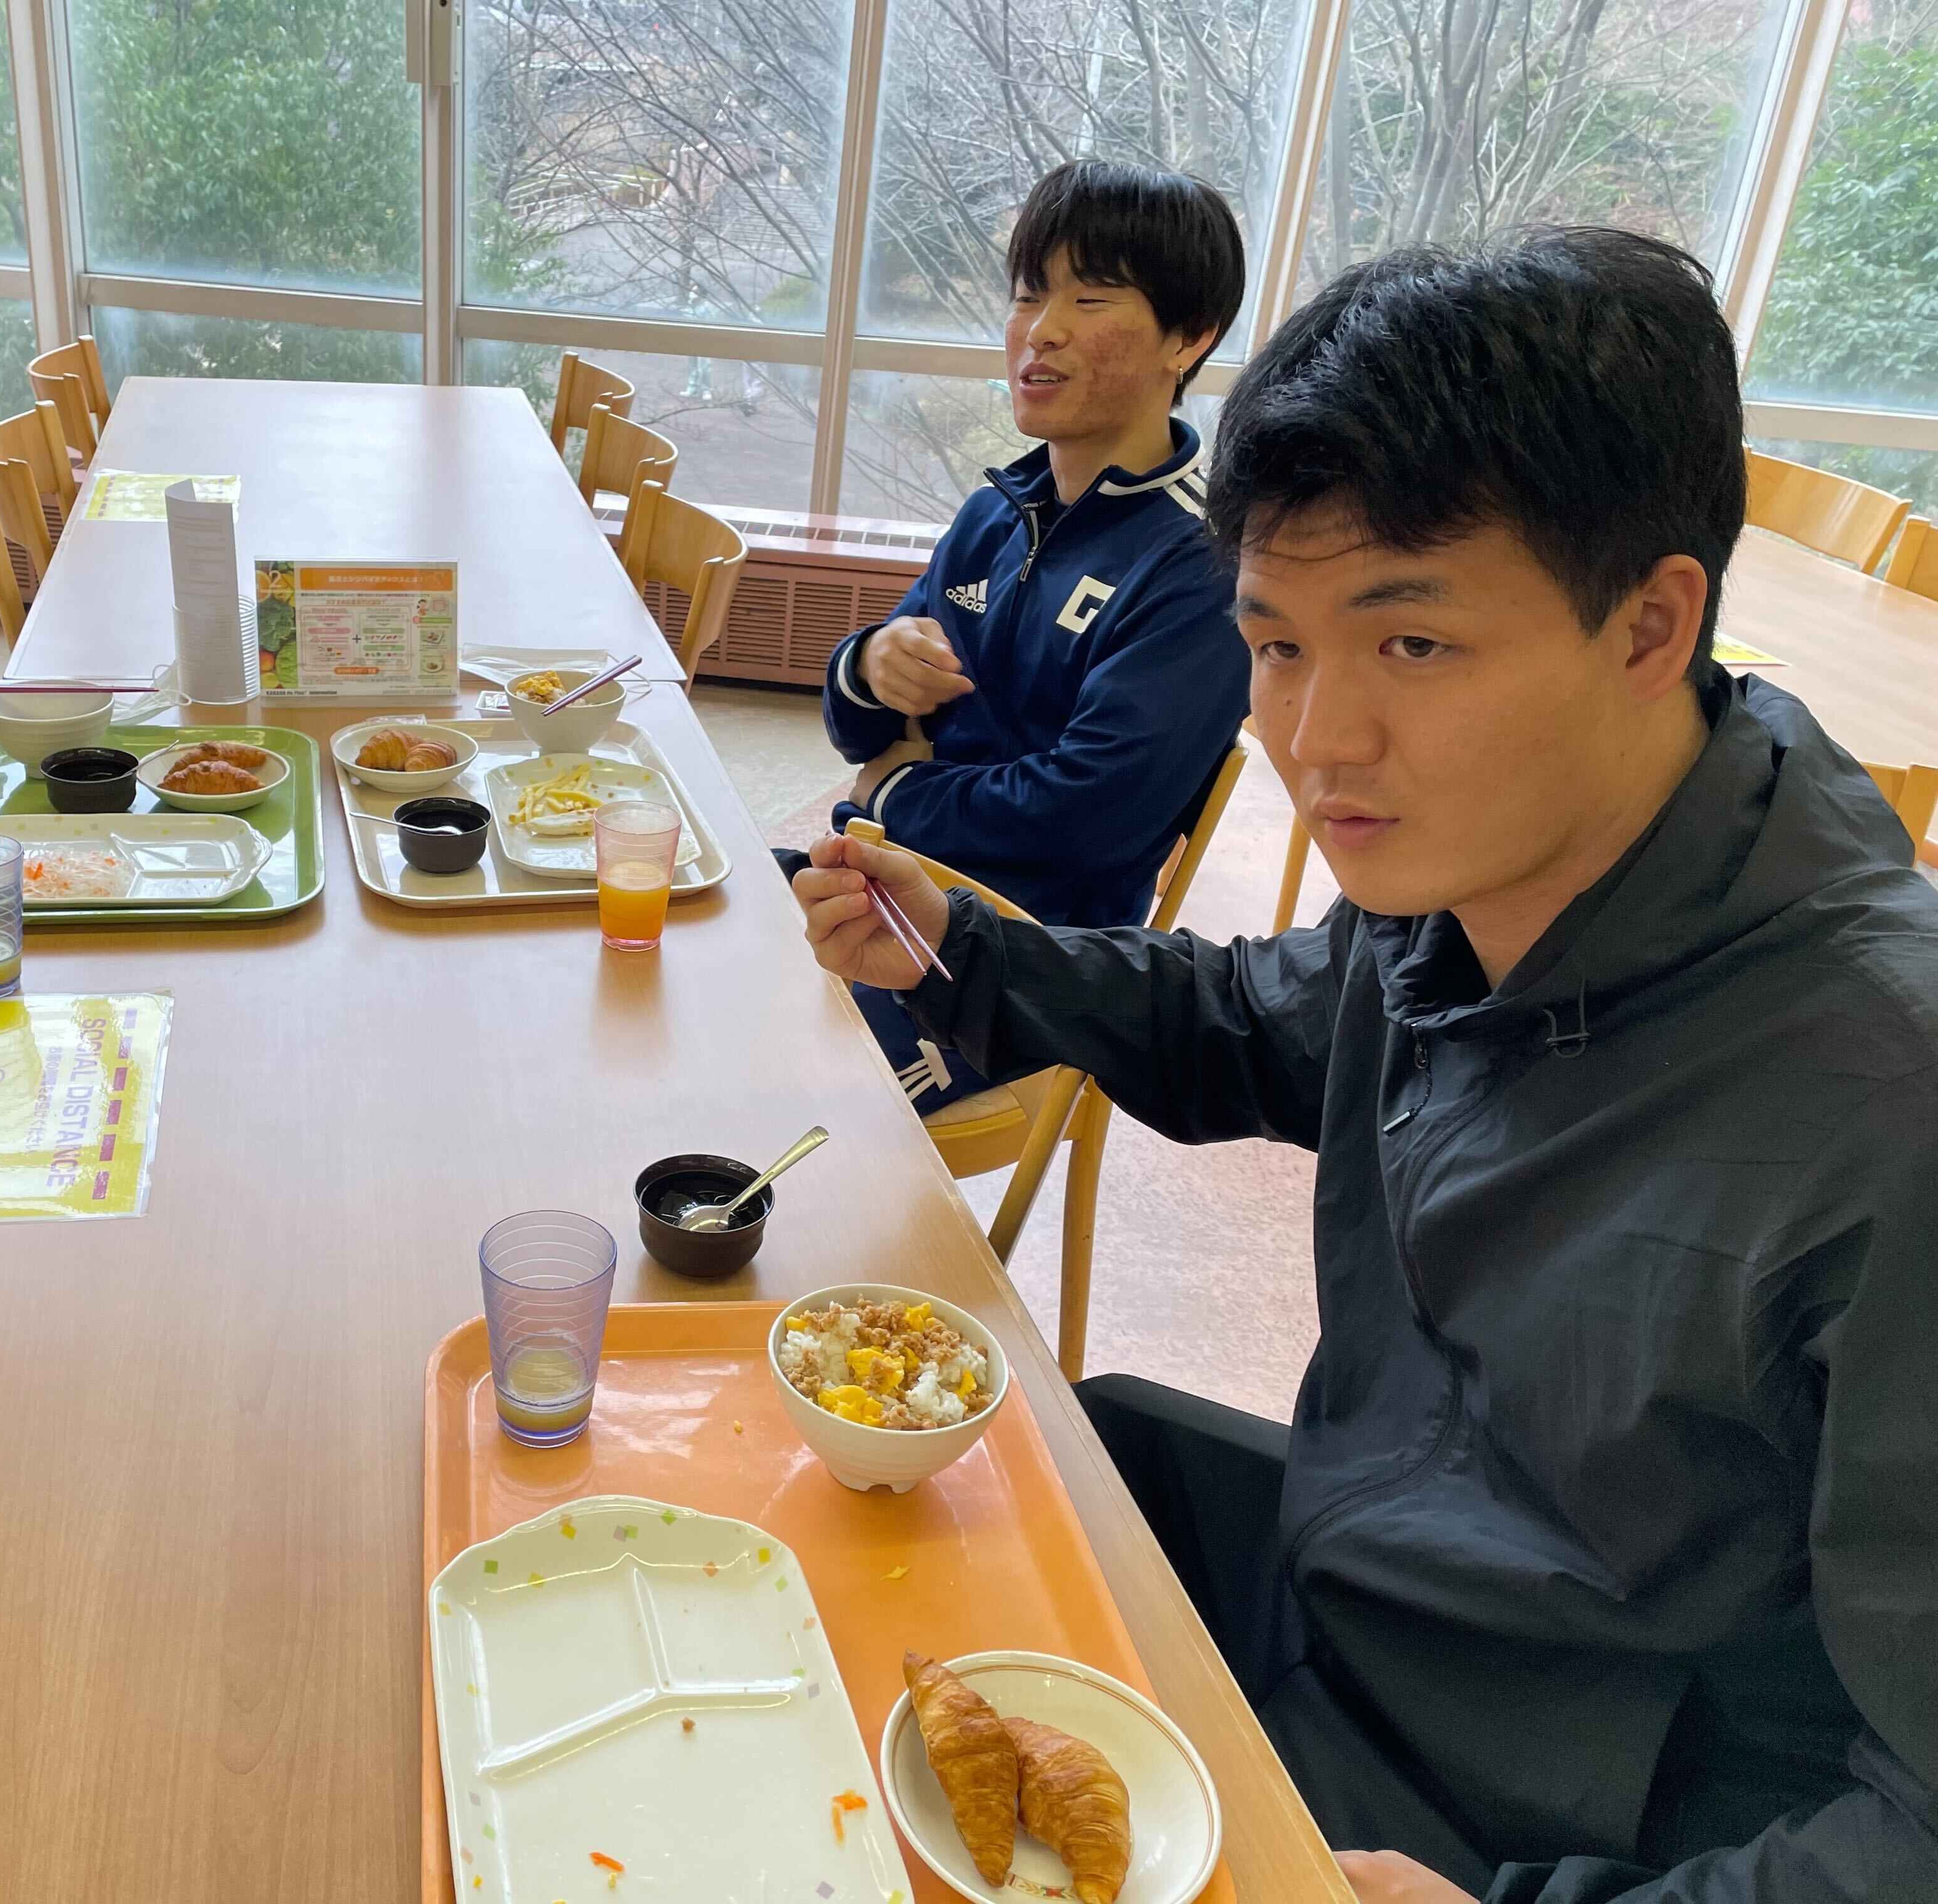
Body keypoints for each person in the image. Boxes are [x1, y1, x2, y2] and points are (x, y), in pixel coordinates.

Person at [791, 229, 1936, 1904]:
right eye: (1276, 645)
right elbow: (1244, 1021)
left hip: (1560, 1818)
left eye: (1411, 646)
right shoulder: (1475, 887)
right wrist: (970, 950)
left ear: (1650, 624)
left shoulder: (1887, 1105)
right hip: (1363, 1599)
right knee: (898, 1547)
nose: (1318, 744)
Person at [808, 161, 1249, 1116]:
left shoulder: (1201, 567)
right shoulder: (996, 511)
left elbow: (1082, 819)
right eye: (1027, 294)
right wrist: (871, 668)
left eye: (1089, 299)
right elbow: (858, 729)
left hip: (1019, 965)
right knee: (668, 938)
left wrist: (895, 792)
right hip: (879, 884)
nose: (1041, 330)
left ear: (1191, 336)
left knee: (764, 1091)